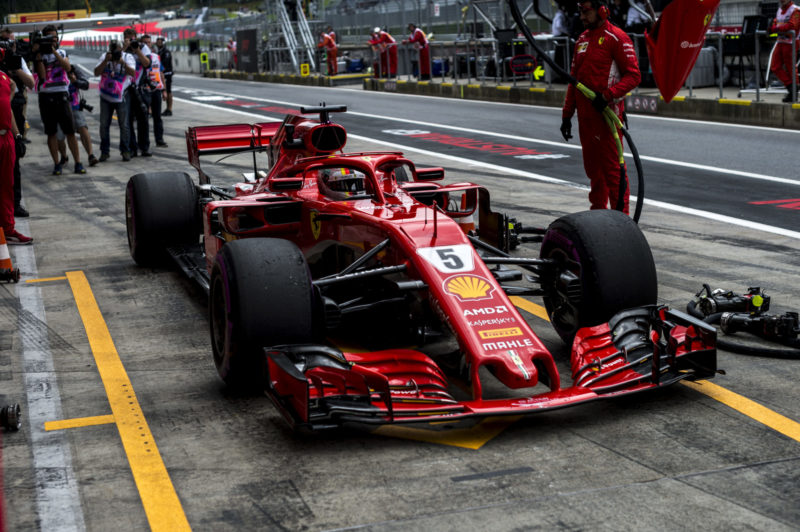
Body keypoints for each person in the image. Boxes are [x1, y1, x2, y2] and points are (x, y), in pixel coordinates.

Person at [560, 0, 640, 214]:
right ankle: (598, 217)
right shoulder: (582, 40)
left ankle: (620, 223)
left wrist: (607, 96)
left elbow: (634, 76)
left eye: (586, 12)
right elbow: (573, 80)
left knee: (613, 173)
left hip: (607, 118)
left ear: (602, 10)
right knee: (594, 173)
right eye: (580, 12)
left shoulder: (617, 37)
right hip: (586, 120)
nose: (582, 17)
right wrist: (567, 115)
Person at [32, 25, 84, 175]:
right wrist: (40, 54)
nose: (52, 40)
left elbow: (67, 68)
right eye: (49, 37)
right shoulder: (38, 55)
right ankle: (57, 163)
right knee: (51, 132)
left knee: (70, 131)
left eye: (54, 37)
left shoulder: (61, 52)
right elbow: (42, 76)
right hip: (46, 95)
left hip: (61, 94)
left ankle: (78, 162)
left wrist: (54, 50)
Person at [0, 30, 34, 217]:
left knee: (13, 164)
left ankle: (15, 203)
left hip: (12, 113)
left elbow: (30, 83)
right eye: (3, 42)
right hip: (4, 109)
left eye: (9, 43)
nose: (6, 46)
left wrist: (16, 70)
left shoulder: (16, 60)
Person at [0, 69, 30, 244]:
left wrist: (17, 135)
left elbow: (7, 107)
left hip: (6, 138)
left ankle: (8, 229)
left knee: (7, 186)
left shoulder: (3, 76)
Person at [94, 38, 135, 161]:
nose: (115, 52)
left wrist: (122, 62)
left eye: (117, 49)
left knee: (124, 125)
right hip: (106, 96)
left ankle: (125, 150)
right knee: (104, 125)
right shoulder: (104, 57)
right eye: (113, 49)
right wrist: (106, 61)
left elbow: (132, 73)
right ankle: (104, 152)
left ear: (121, 48)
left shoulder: (127, 57)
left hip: (122, 96)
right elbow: (96, 72)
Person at [124, 28, 152, 158]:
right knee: (128, 120)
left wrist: (137, 50)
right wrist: (124, 49)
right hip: (127, 88)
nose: (131, 40)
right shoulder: (122, 48)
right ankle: (132, 148)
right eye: (128, 38)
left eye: (132, 38)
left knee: (143, 119)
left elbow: (147, 63)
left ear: (136, 37)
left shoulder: (142, 47)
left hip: (140, 88)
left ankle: (144, 147)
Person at [66, 67, 98, 166]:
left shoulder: (73, 69)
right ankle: (63, 157)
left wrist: (75, 81)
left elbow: (86, 84)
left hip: (75, 106)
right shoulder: (51, 69)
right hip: (59, 105)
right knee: (62, 135)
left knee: (83, 127)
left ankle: (91, 155)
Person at [770, 0, 800, 102]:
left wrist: (776, 29)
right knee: (775, 66)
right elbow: (774, 23)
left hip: (792, 42)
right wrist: (775, 28)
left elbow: (793, 26)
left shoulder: (795, 10)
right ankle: (791, 87)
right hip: (781, 41)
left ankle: (793, 92)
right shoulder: (779, 10)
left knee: (791, 68)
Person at [143, 45, 167, 148]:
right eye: (145, 43)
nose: (148, 45)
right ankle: (144, 142)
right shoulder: (137, 57)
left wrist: (164, 90)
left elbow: (161, 73)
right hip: (144, 90)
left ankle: (159, 139)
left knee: (157, 116)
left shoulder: (156, 57)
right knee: (143, 118)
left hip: (156, 89)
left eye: (149, 43)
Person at [156, 37, 173, 116]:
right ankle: (167, 109)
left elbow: (165, 63)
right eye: (157, 42)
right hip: (162, 73)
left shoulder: (166, 52)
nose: (158, 43)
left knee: (168, 91)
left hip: (167, 74)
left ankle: (169, 109)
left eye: (160, 42)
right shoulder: (159, 51)